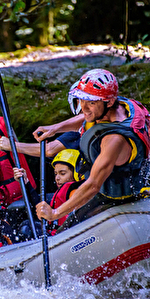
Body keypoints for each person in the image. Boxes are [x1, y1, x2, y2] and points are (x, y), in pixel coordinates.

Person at [35, 68, 150, 227]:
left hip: (119, 197)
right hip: (114, 187)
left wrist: (55, 213)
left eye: (91, 102)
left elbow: (94, 184)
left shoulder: (114, 140)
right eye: (82, 100)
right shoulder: (120, 105)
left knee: (67, 229)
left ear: (108, 102)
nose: (84, 107)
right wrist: (55, 128)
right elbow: (88, 117)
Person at [0, 81, 82, 157]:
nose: (85, 105)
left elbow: (49, 150)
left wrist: (12, 145)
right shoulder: (85, 125)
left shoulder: (81, 131)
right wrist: (54, 128)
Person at [14, 149, 85, 235]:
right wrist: (26, 182)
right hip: (56, 234)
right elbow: (40, 208)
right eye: (56, 173)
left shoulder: (75, 192)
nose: (57, 178)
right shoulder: (64, 191)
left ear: (78, 174)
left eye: (62, 173)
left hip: (66, 237)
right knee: (27, 225)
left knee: (26, 228)